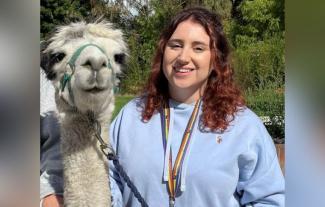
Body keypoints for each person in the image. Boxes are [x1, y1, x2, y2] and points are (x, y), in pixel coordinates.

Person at [41, 7, 284, 207]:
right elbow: (110, 184)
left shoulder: (242, 126)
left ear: (214, 59)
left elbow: (269, 198)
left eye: (198, 48)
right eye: (176, 45)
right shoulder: (132, 116)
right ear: (163, 51)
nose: (183, 57)